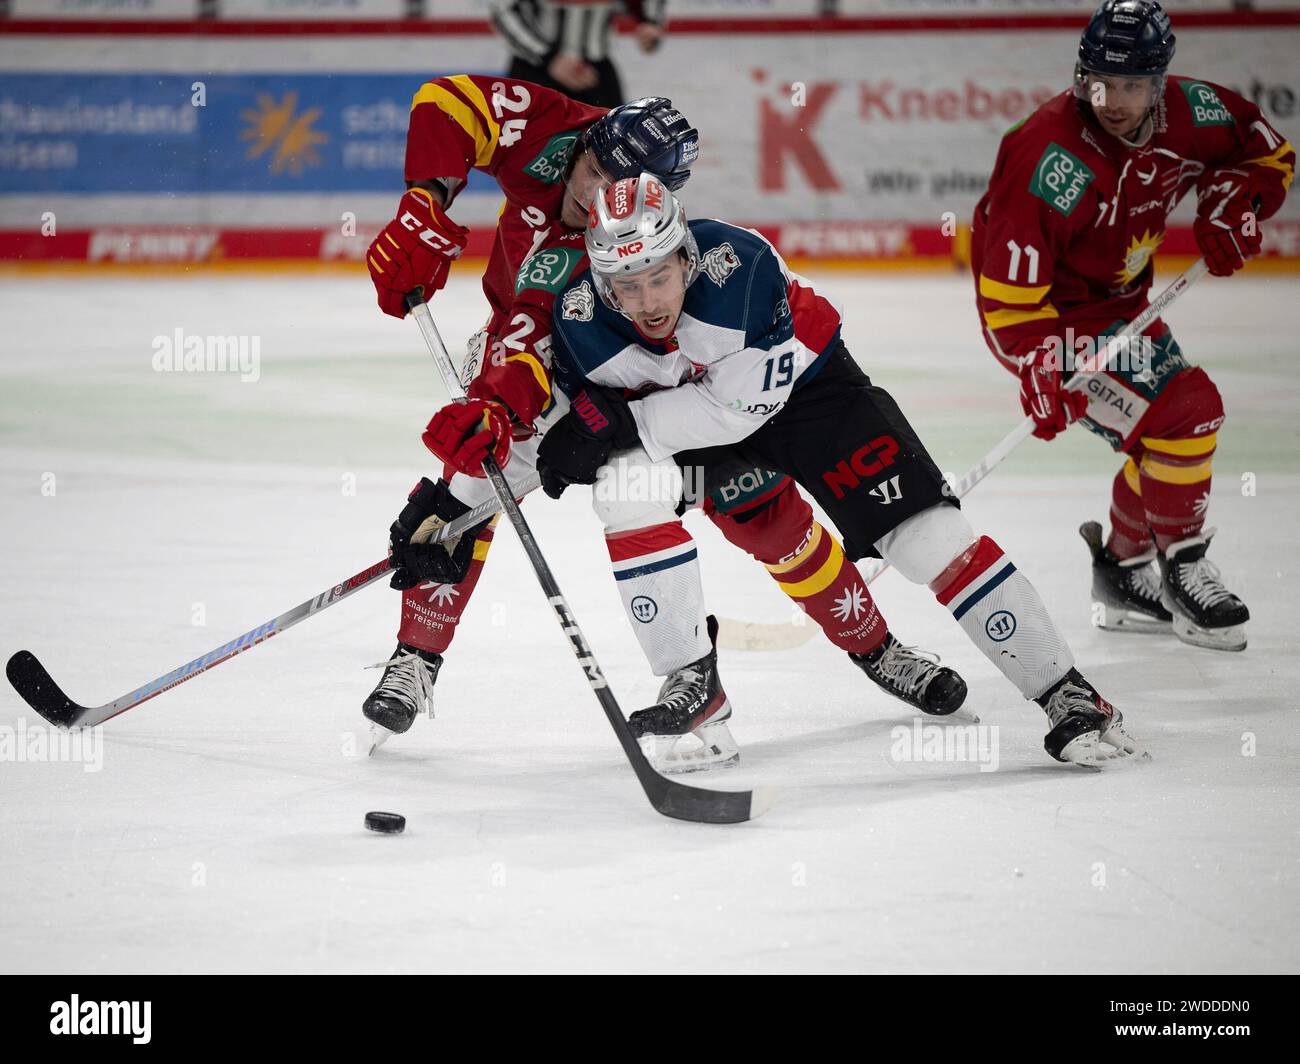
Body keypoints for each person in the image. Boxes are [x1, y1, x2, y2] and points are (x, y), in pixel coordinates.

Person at [364, 79, 966, 761]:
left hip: (634, 380)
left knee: (763, 513)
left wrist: (511, 385)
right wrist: (424, 202)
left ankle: (875, 646)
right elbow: (449, 101)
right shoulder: (556, 128)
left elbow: (551, 315)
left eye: (613, 188)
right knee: (471, 478)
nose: (589, 196)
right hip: (529, 356)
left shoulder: (624, 250)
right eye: (590, 171)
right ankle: (416, 660)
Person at [530, 175, 1146, 767]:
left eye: (658, 277)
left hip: (811, 392)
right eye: (626, 285)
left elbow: (737, 410)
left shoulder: (743, 269)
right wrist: (558, 433)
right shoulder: (582, 320)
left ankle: (1067, 692)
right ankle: (700, 682)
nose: (645, 302)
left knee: (927, 541)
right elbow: (571, 409)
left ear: (686, 255)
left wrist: (621, 426)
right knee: (629, 493)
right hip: (704, 424)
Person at [970, 0, 1293, 651]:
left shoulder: (1195, 112)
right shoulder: (1048, 158)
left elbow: (1267, 153)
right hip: (1055, 324)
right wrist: (1041, 365)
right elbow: (1007, 301)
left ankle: (1120, 572)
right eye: (1099, 83)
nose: (1113, 101)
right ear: (1079, 74)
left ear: (1159, 81)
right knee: (1189, 411)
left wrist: (1237, 202)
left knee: (1166, 438)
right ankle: (1185, 563)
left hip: (1125, 307)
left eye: (1132, 85)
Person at [489, 0, 666, 109]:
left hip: (595, 70)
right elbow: (503, 10)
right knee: (525, 156)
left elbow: (645, 8)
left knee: (611, 156)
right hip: (535, 69)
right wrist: (548, 57)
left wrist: (649, 21)